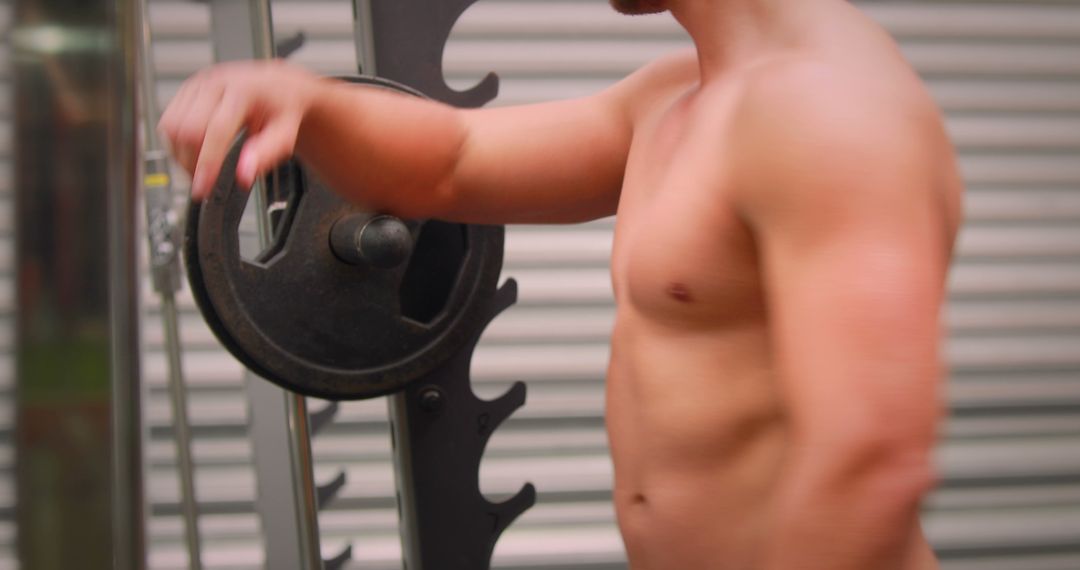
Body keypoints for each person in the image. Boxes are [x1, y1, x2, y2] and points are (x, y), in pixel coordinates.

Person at [160, 0, 963, 567]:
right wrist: (305, 103)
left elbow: (870, 461)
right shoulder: (675, 99)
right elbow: (450, 164)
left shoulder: (825, 107)